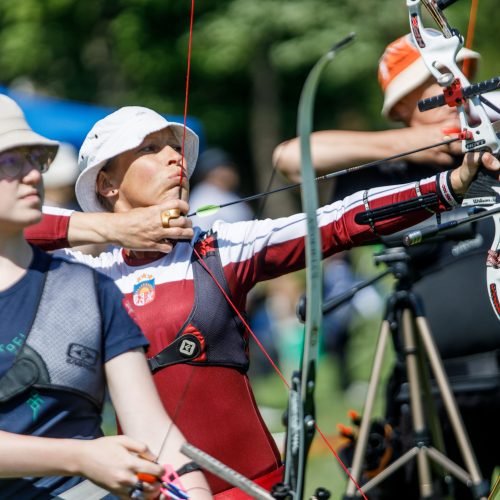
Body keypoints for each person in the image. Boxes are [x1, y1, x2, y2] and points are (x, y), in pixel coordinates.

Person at [24, 102, 499, 498]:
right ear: (107, 184)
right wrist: (112, 230)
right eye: (151, 149)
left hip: (254, 487)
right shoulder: (85, 276)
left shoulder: (221, 247)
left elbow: (339, 221)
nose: (174, 157)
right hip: (159, 491)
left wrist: (451, 185)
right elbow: (15, 222)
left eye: (175, 148)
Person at [273, 31, 500, 497]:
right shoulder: (387, 171)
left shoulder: (489, 138)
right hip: (433, 381)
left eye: (459, 76)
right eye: (438, 82)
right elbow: (289, 158)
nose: (457, 87)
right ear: (403, 106)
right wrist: (408, 146)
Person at [0, 95, 211, 499]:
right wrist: (79, 458)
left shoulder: (89, 287)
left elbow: (153, 430)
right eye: (11, 161)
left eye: (34, 159)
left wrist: (194, 491)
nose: (31, 175)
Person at [189, 147, 253, 231]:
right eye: (226, 167)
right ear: (211, 173)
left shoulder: (226, 193)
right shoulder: (204, 196)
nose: (231, 172)